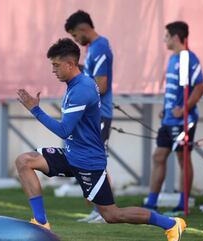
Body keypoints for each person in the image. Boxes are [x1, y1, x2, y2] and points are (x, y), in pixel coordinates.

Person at [15, 38, 186, 241]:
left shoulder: (82, 89)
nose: (53, 70)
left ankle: (171, 224)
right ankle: (41, 222)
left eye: (56, 65)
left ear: (70, 64)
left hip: (88, 163)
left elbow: (64, 130)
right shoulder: (75, 83)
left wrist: (35, 109)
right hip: (72, 156)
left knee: (112, 215)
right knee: (24, 161)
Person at [144, 21, 203, 214]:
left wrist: (184, 109)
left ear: (176, 37)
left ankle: (183, 204)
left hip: (183, 121)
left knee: (182, 158)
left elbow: (200, 87)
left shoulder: (188, 58)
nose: (164, 40)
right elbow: (174, 90)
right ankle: (151, 203)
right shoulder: (173, 59)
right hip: (168, 119)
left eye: (166, 36)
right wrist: (166, 109)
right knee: (158, 156)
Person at [65, 10, 113, 223]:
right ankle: (98, 210)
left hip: (99, 115)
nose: (76, 40)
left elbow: (101, 86)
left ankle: (105, 211)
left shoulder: (100, 46)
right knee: (92, 161)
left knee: (97, 163)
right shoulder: (93, 48)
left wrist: (81, 83)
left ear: (84, 29)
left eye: (75, 35)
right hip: (95, 115)